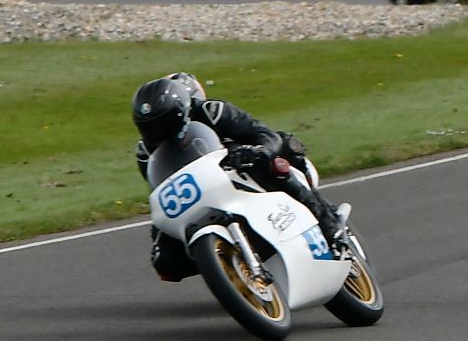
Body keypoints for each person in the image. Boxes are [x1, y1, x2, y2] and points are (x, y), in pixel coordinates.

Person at [131, 73, 346, 282]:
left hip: (238, 165)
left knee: (278, 157)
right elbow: (158, 188)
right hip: (196, 192)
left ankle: (327, 222)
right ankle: (225, 265)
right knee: (165, 262)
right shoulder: (145, 151)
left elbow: (263, 133)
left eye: (164, 122)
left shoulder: (212, 111)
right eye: (150, 126)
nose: (158, 130)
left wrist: (259, 151)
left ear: (182, 111)